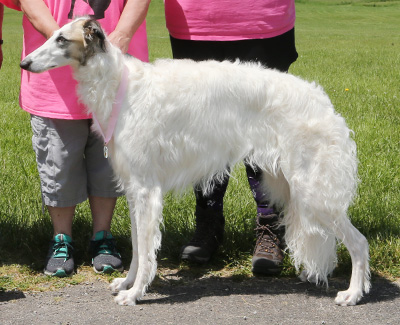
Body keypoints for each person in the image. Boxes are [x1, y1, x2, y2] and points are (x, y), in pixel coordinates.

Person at [164, 0, 298, 275]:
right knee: (204, 129)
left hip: (261, 18)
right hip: (195, 21)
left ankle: (270, 224)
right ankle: (208, 222)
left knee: (263, 129)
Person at [18, 0, 150, 277]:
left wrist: (122, 35)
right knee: (58, 163)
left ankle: (102, 238)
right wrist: (65, 41)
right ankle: (61, 240)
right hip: (54, 83)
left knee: (108, 165)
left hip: (114, 73)